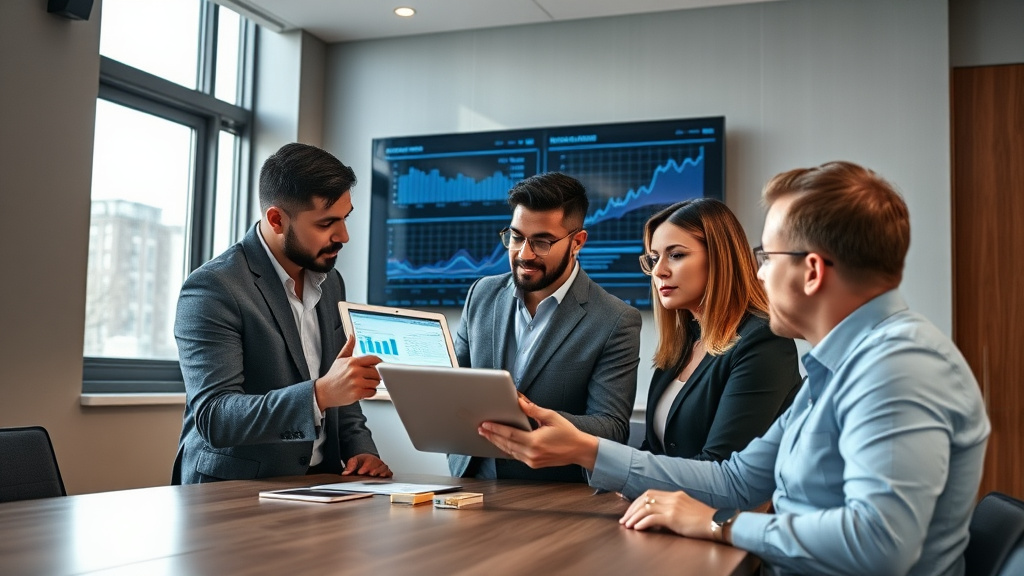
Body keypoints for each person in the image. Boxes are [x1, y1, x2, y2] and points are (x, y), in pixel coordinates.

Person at [480, 161, 990, 576]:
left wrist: (721, 524)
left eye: (768, 257)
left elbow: (880, 545)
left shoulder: (897, 367)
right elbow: (740, 480)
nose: (760, 274)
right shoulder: (838, 366)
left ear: (810, 271)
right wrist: (586, 448)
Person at [172, 142, 392, 484]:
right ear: (276, 219)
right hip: (234, 492)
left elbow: (340, 384)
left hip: (319, 483)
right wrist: (318, 394)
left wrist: (360, 449)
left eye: (345, 219)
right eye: (326, 223)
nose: (343, 236)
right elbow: (216, 417)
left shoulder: (331, 281)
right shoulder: (213, 288)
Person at [448, 171, 642, 482]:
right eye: (516, 237)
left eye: (542, 242)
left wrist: (531, 418)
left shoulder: (615, 320)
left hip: (552, 495)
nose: (524, 254)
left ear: (577, 242)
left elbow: (612, 428)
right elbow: (453, 383)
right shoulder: (480, 294)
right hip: (470, 483)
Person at [638, 198, 801, 461]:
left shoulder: (763, 339)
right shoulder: (684, 341)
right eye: (654, 258)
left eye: (676, 255)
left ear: (719, 258)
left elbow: (721, 464)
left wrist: (602, 458)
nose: (659, 271)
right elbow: (653, 450)